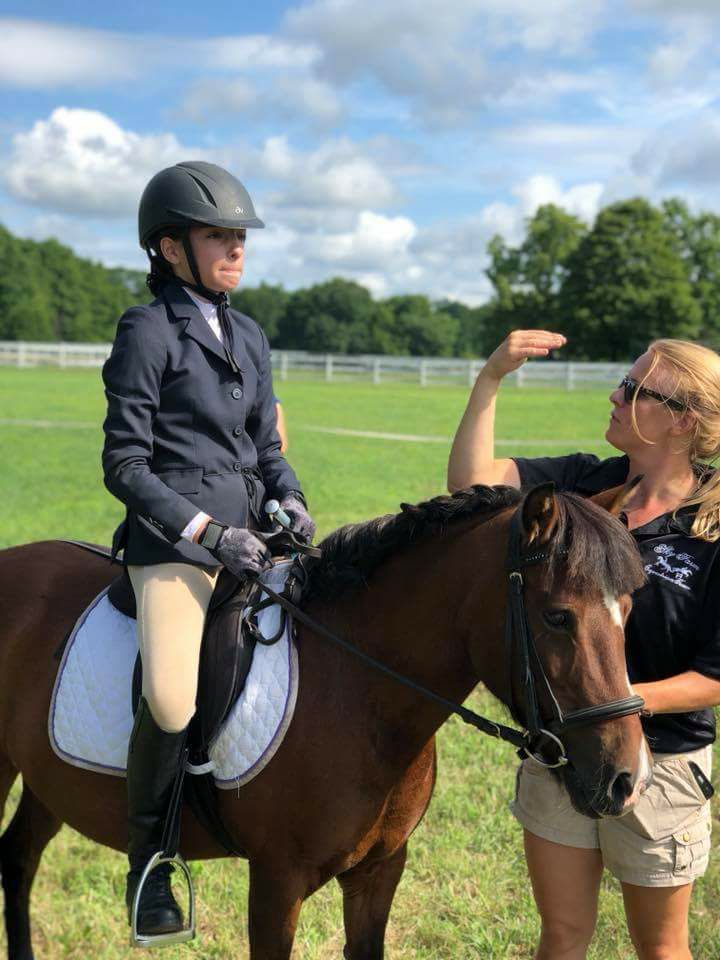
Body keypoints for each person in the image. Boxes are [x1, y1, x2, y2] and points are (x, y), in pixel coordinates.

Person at [447, 330, 720, 960]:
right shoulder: (580, 489)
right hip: (562, 751)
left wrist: (618, 703)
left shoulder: (712, 529)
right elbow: (469, 485)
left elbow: (716, 672)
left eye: (633, 391)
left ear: (683, 421)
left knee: (661, 948)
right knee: (563, 937)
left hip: (665, 768)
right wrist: (490, 378)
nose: (614, 396)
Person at [101, 160, 314, 938]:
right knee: (169, 697)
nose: (236, 248)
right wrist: (206, 532)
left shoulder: (249, 334)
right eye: (218, 235)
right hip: (175, 548)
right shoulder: (147, 330)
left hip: (256, 538)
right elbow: (123, 463)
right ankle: (149, 865)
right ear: (167, 247)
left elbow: (264, 446)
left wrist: (289, 497)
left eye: (240, 236)